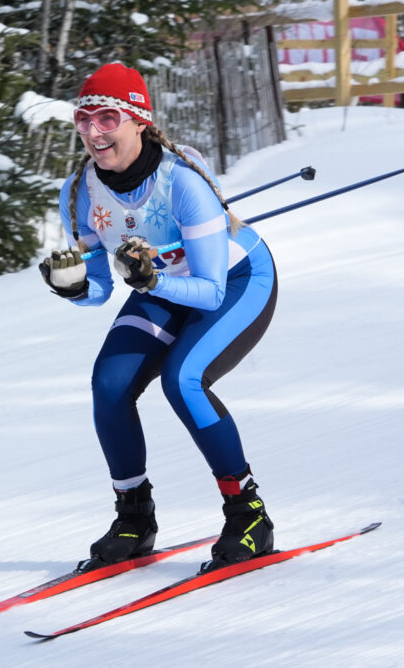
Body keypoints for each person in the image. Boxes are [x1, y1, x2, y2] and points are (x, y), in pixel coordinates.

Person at [39, 62, 278, 573]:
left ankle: (248, 515)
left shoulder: (182, 184)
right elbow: (100, 289)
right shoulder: (80, 191)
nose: (92, 132)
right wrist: (75, 286)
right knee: (109, 383)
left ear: (138, 120)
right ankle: (134, 518)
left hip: (236, 280)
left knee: (183, 379)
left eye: (107, 118)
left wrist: (150, 281)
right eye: (83, 120)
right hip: (165, 284)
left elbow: (211, 293)